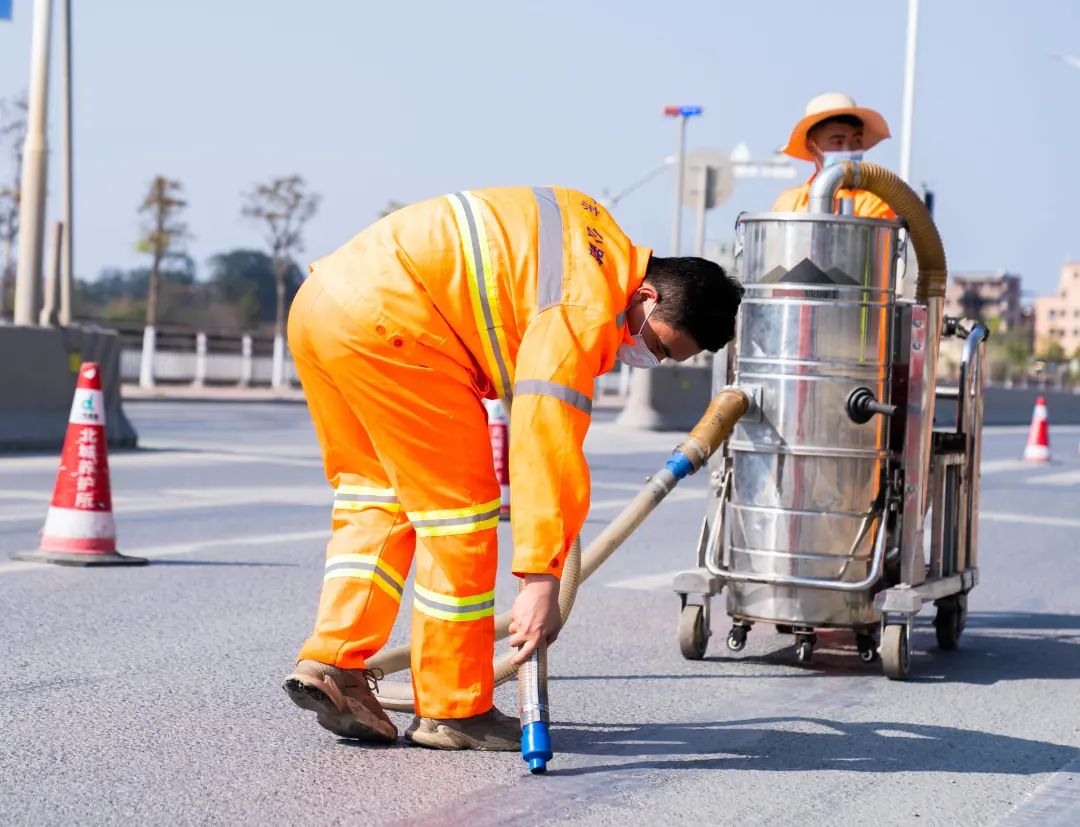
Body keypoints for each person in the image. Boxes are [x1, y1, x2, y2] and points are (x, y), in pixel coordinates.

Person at [283, 186, 744, 750]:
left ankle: (334, 663)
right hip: (397, 327)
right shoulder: (589, 304)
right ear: (645, 294)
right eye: (656, 343)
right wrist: (541, 580)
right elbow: (543, 440)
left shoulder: (589, 231)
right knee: (461, 516)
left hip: (321, 304)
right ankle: (455, 710)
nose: (643, 355)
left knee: (375, 496)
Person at [773, 92, 896, 218]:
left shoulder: (874, 202)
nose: (848, 149)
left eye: (857, 140)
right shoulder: (789, 203)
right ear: (812, 147)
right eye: (838, 141)